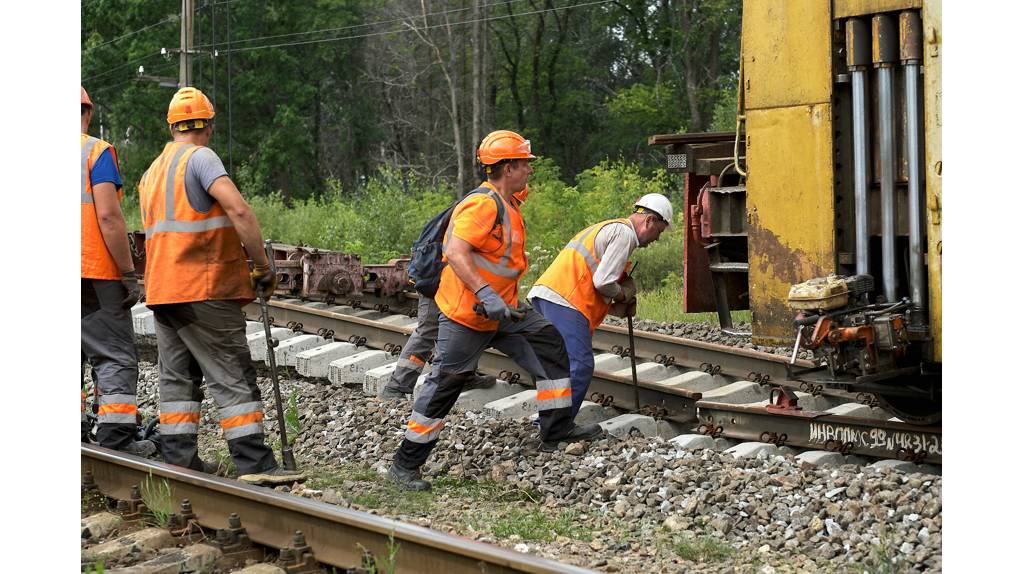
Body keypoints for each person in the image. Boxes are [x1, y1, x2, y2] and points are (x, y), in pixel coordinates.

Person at [388, 131, 603, 491]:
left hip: (504, 311)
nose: (530, 171)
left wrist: (499, 299)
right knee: (446, 385)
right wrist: (486, 293)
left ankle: (556, 428)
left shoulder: (508, 204)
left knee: (549, 343)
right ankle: (405, 464)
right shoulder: (483, 205)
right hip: (469, 315)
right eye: (524, 165)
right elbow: (455, 251)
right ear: (507, 168)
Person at [137, 87, 304, 486]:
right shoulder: (202, 158)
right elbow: (240, 210)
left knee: (177, 377)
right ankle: (254, 463)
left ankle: (179, 459)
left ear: (172, 126)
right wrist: (263, 265)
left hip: (162, 290)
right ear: (209, 126)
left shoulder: (152, 171)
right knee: (231, 371)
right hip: (203, 287)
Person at [379, 186, 533, 400]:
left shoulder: (497, 208)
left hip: (455, 281)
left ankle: (465, 376)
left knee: (468, 324)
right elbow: (457, 252)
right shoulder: (484, 206)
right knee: (428, 331)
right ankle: (396, 387)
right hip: (438, 278)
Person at [528, 194, 672, 418]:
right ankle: (557, 425)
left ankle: (546, 421)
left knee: (558, 369)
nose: (657, 238)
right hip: (565, 300)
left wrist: (614, 307)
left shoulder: (609, 227)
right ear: (650, 221)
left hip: (547, 296)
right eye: (659, 231)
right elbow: (603, 281)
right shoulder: (624, 234)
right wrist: (622, 294)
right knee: (580, 365)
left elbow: (593, 282)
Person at [80, 85, 155, 457]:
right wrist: (128, 272)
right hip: (92, 271)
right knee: (113, 356)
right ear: (88, 113)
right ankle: (116, 440)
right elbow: (108, 215)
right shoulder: (96, 151)